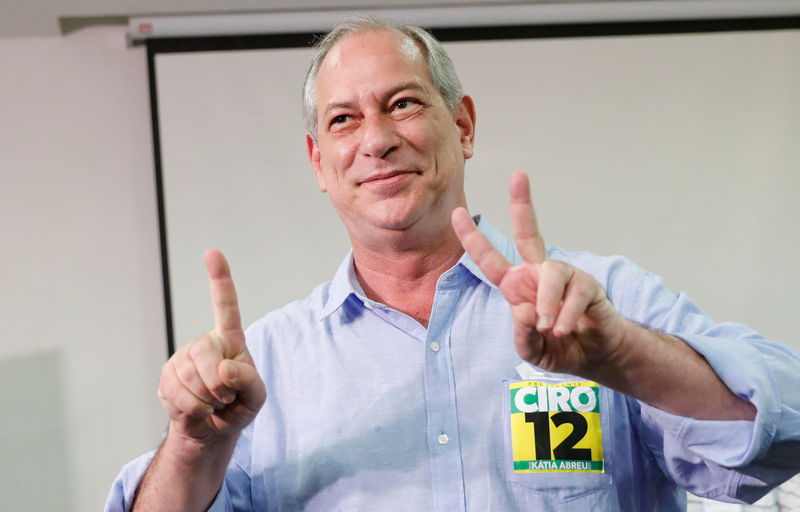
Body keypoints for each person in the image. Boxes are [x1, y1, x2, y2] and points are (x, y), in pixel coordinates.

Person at [106, 15, 800, 512]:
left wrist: (625, 358)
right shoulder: (267, 365)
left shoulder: (599, 304)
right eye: (342, 120)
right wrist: (194, 446)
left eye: (402, 103)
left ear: (463, 126)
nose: (375, 140)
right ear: (319, 161)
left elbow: (785, 427)